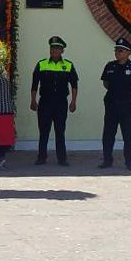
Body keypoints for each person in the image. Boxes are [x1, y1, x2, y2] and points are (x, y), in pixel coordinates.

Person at [30, 36, 79, 166]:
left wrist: (73, 101)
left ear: (62, 51)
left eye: (57, 48)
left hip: (61, 102)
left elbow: (74, 85)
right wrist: (33, 100)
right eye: (52, 48)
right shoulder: (42, 64)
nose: (54, 50)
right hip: (45, 102)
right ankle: (41, 157)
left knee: (60, 131)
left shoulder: (68, 65)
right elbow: (34, 84)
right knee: (43, 131)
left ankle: (62, 159)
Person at [100, 37, 131, 171]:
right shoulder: (110, 66)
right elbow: (106, 83)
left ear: (128, 53)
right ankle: (107, 161)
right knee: (108, 135)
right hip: (111, 105)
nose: (117, 53)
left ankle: (130, 163)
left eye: (120, 51)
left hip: (127, 106)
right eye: (116, 50)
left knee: (128, 136)